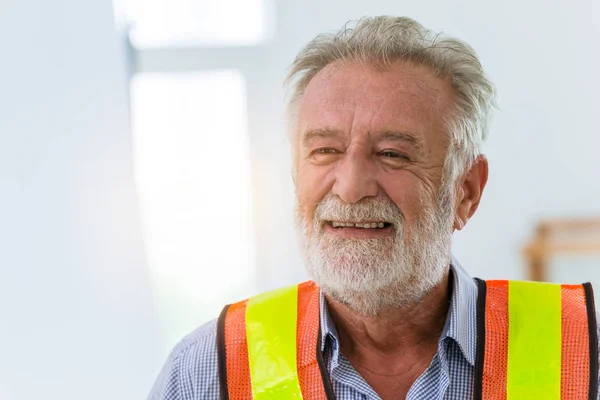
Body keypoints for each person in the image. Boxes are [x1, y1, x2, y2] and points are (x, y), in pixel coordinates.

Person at [148, 16, 599, 400]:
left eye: (392, 154)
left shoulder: (583, 352)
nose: (350, 188)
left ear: (465, 192)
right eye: (324, 150)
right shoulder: (207, 371)